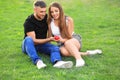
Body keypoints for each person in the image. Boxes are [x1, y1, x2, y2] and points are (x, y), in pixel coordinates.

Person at [47, 2, 102, 67]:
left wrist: (62, 40)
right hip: (61, 43)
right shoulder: (50, 22)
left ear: (60, 10)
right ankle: (88, 53)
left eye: (56, 11)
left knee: (68, 43)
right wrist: (52, 40)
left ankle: (79, 60)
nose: (54, 13)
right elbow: (50, 37)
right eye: (52, 12)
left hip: (73, 39)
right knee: (63, 52)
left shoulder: (68, 20)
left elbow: (69, 36)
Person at [22, 0, 73, 69]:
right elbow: (34, 41)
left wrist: (68, 20)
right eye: (41, 12)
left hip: (42, 44)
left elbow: (58, 16)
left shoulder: (46, 18)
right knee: (28, 39)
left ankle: (57, 62)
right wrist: (49, 39)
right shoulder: (29, 22)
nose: (44, 14)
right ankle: (38, 61)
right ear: (35, 10)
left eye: (45, 11)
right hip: (28, 45)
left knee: (55, 48)